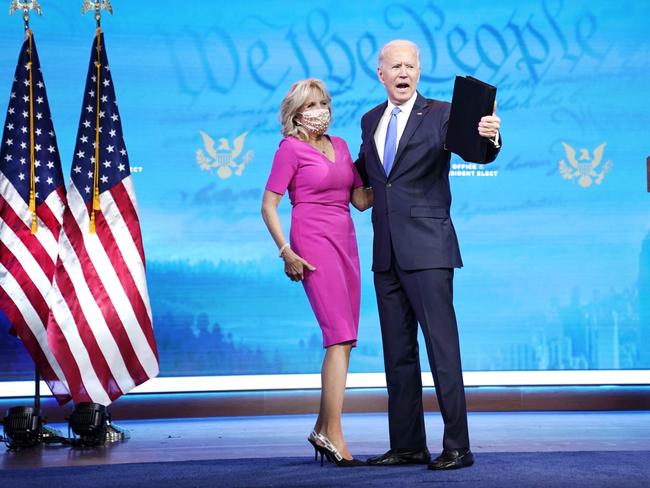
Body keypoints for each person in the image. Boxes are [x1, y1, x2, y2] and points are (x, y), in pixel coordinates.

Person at [355, 40, 501, 470]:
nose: (403, 73)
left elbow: (478, 150)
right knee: (397, 354)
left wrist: (491, 136)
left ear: (419, 71)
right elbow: (367, 172)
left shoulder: (442, 114)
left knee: (442, 350)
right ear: (380, 74)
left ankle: (458, 445)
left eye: (410, 66)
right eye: (394, 67)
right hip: (386, 253)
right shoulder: (369, 120)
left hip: (430, 250)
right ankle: (407, 445)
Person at [261, 78, 373, 467]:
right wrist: (285, 251)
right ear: (295, 112)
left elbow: (360, 200)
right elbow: (268, 206)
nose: (320, 109)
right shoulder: (289, 150)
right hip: (312, 245)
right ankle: (335, 434)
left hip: (346, 244)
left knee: (346, 340)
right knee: (337, 336)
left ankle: (322, 430)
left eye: (324, 102)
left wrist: (394, 171)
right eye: (311, 104)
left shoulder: (340, 146)